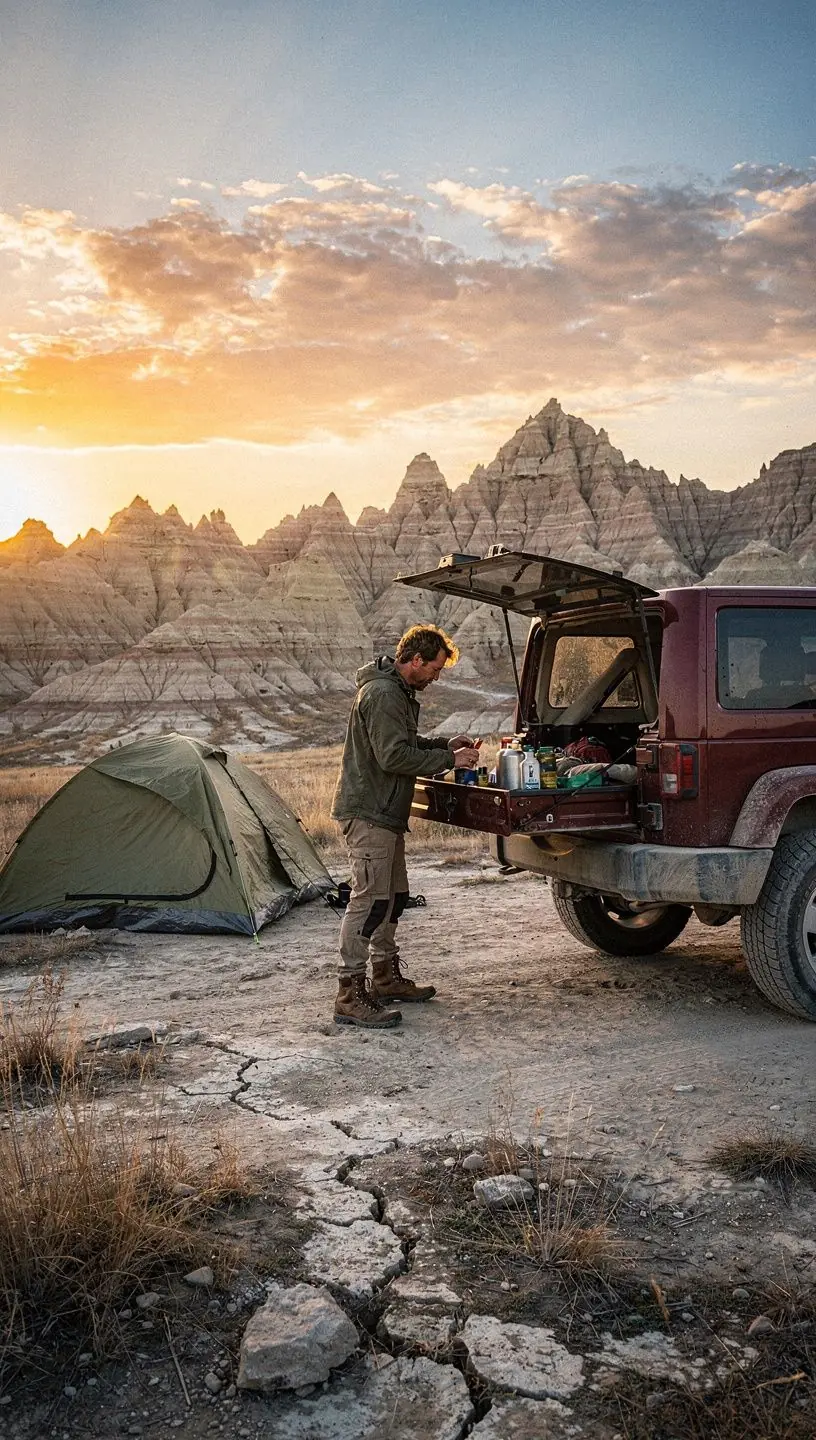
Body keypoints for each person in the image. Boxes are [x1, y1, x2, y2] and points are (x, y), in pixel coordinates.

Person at [331, 624, 480, 1029]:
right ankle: (349, 993)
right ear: (415, 660)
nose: (435, 676)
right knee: (369, 900)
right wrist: (451, 763)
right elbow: (393, 757)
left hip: (386, 813)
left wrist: (445, 745)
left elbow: (407, 743)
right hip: (369, 813)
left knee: (394, 897)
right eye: (434, 668)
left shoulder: (397, 691)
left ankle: (383, 977)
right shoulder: (381, 694)